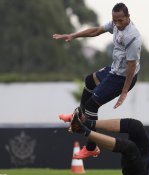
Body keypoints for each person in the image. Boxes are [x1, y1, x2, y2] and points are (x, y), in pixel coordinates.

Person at [53, 3, 142, 159]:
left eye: (121, 20)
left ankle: (91, 147)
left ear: (128, 17)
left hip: (123, 78)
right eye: (115, 20)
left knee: (92, 106)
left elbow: (132, 66)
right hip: (114, 70)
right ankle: (79, 116)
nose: (118, 24)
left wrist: (124, 91)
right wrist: (73, 35)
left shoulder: (132, 36)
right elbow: (96, 31)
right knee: (89, 81)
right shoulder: (115, 24)